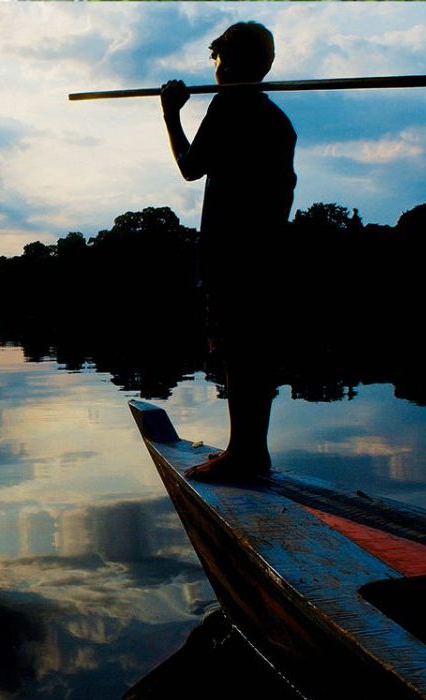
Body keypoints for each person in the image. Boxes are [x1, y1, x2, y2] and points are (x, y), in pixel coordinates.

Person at [160, 22, 297, 481]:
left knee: (240, 352)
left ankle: (246, 454)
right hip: (268, 254)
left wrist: (170, 114)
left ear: (229, 61)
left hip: (233, 252)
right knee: (253, 353)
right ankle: (251, 451)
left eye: (216, 58)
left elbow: (189, 168)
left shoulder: (229, 107)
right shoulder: (279, 121)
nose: (214, 68)